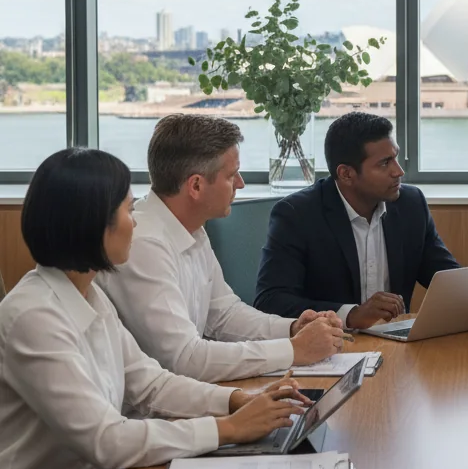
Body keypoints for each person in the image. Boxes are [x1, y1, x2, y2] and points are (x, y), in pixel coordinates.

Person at [0, 148, 311, 469]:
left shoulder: (87, 295)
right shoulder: (32, 316)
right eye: (128, 211)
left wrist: (234, 403)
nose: (137, 222)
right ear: (92, 224)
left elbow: (150, 384)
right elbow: (106, 441)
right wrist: (224, 429)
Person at [100, 114, 348, 383]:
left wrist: (291, 328)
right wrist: (293, 350)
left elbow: (224, 315)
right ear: (196, 185)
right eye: (232, 175)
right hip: (151, 415)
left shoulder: (191, 227)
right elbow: (185, 360)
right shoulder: (146, 244)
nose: (240, 183)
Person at [254, 112, 468, 329]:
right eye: (385, 163)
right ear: (346, 174)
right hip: (330, 347)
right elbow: (271, 301)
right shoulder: (297, 214)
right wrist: (351, 314)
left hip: (398, 346)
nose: (398, 171)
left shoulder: (410, 204)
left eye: (395, 157)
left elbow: (443, 276)